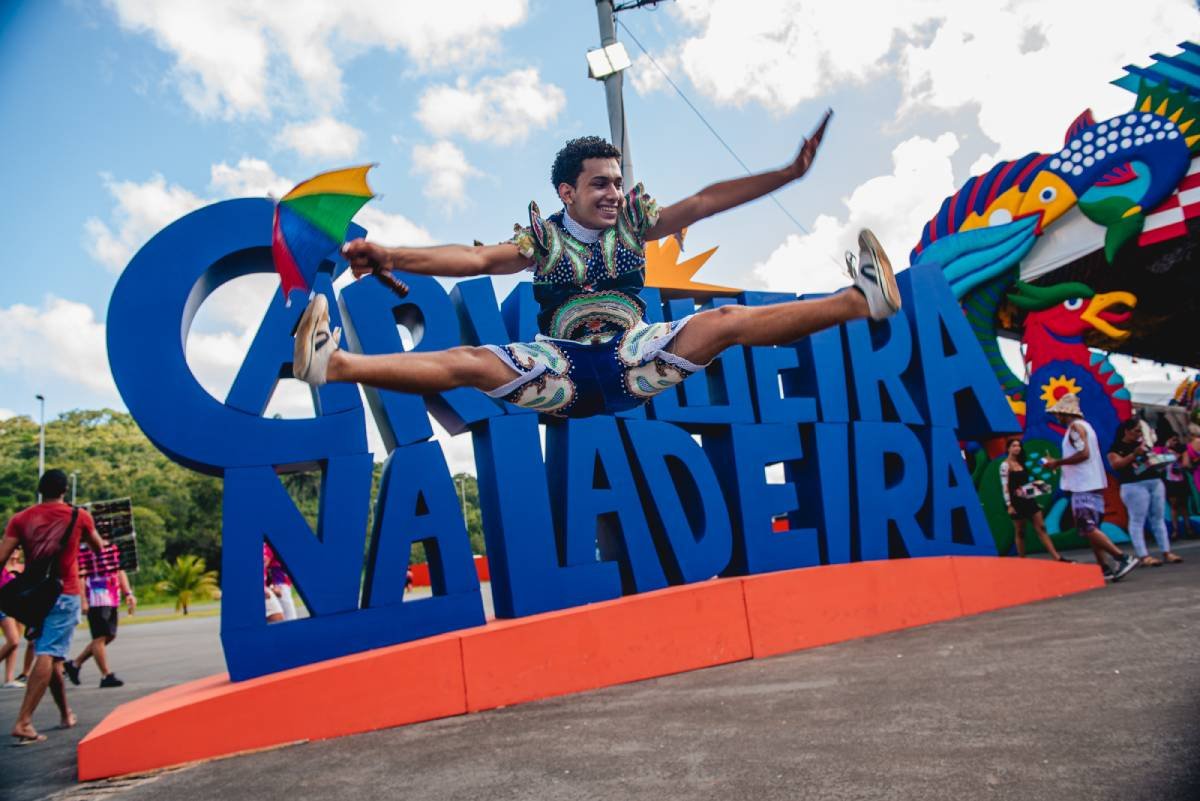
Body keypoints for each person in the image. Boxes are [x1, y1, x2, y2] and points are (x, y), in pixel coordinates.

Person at [293, 123, 903, 421]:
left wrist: (786, 175)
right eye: (600, 183)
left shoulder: (635, 225)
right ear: (567, 191)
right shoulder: (541, 240)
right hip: (561, 370)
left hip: (633, 359)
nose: (615, 192)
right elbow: (476, 259)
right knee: (472, 361)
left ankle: (860, 300)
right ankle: (335, 364)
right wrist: (392, 256)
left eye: (618, 181)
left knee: (724, 320)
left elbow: (705, 202)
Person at [0, 469, 106, 745]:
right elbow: (98, 548)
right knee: (49, 652)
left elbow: (1, 556)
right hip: (64, 592)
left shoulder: (21, 519)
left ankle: (65, 713)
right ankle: (23, 721)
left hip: (34, 597)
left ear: (39, 489)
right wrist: (83, 537)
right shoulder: (79, 516)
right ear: (64, 490)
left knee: (52, 654)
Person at [1042, 395, 1138, 582]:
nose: (1056, 418)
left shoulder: (1075, 428)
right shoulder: (1087, 427)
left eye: (1058, 414)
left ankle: (1122, 557)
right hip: (1093, 483)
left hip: (1082, 485)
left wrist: (1058, 463)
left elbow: (1083, 453)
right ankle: (1104, 567)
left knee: (1086, 526)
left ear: (1064, 413)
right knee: (1092, 528)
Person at [1107, 418, 1182, 566]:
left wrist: (1159, 461)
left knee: (1158, 518)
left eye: (1140, 431)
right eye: (1136, 431)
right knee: (1137, 520)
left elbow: (1148, 462)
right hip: (1133, 484)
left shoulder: (1142, 445)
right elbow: (1116, 464)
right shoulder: (1116, 448)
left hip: (1153, 481)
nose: (1139, 434)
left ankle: (1166, 551)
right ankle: (1143, 555)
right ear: (1126, 431)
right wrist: (1133, 455)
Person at [63, 541, 136, 689]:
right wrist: (83, 600)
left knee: (109, 635)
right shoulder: (84, 549)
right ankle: (105, 675)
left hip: (112, 595)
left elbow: (120, 571)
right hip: (95, 596)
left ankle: (74, 664)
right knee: (99, 636)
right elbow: (80, 576)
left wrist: (128, 593)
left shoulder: (113, 547)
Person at [999, 437, 1069, 562]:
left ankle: (1056, 557)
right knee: (1020, 531)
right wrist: (1009, 505)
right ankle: (1023, 559)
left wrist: (1035, 500)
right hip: (1015, 502)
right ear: (1008, 449)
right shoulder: (1004, 465)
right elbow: (1005, 486)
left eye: (1018, 446)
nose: (1017, 448)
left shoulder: (1022, 463)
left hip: (1028, 499)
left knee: (1041, 527)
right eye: (1014, 446)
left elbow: (1027, 485)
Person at [1157, 433, 1194, 539]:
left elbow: (1186, 465)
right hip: (1170, 480)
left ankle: (1188, 527)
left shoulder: (1182, 451)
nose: (1175, 442)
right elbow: (1160, 467)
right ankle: (1175, 529)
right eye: (1173, 440)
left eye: (1176, 440)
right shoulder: (1163, 451)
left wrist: (1179, 458)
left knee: (1184, 505)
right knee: (1174, 505)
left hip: (1181, 480)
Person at [0, 552, 23, 688]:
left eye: (17, 548)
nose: (14, 551)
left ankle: (9, 679)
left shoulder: (21, 567)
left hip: (17, 607)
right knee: (13, 640)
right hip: (3, 606)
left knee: (14, 642)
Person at [263, 544, 297, 621]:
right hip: (279, 584)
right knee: (289, 617)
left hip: (282, 582)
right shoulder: (267, 546)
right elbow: (264, 564)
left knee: (286, 616)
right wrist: (275, 584)